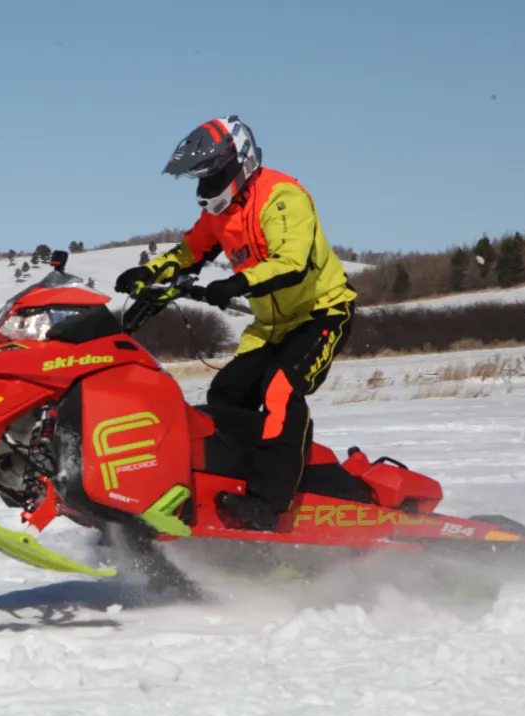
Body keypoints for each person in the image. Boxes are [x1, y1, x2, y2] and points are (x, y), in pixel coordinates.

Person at [114, 115, 358, 529]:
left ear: (238, 163)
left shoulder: (281, 196)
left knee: (281, 391)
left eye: (211, 175)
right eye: (200, 178)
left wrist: (235, 284)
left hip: (322, 314)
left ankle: (269, 504)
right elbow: (188, 252)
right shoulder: (219, 213)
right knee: (223, 397)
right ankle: (225, 488)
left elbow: (292, 265)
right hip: (270, 328)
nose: (205, 188)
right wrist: (147, 274)